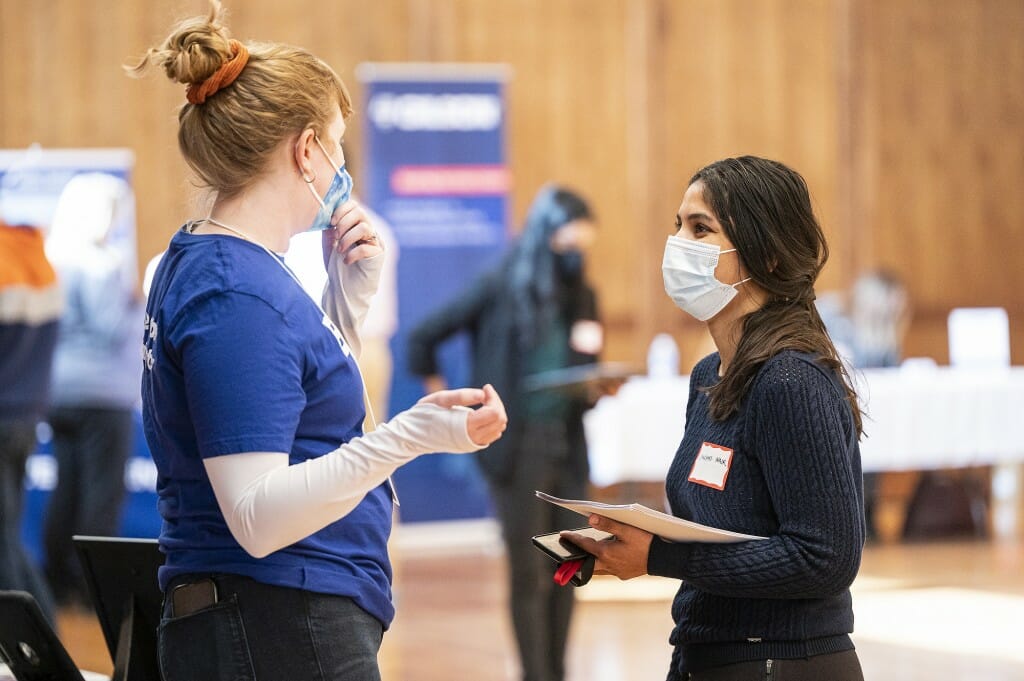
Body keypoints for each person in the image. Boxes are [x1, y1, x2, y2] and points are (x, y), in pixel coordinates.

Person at [128, 3, 507, 680]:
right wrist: (410, 435)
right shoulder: (235, 289)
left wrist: (344, 301)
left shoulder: (236, 268)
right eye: (334, 142)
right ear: (306, 150)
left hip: (277, 618)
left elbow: (301, 424)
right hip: (277, 623)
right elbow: (256, 515)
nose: (340, 165)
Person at [566, 157, 866, 681]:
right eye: (678, 226)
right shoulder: (709, 374)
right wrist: (631, 543)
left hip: (782, 662)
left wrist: (659, 558)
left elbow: (827, 558)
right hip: (709, 652)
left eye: (700, 229)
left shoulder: (790, 382)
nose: (678, 242)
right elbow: (722, 529)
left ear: (766, 256)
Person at [407, 185, 607, 681]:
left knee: (568, 567)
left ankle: (557, 673)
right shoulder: (501, 285)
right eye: (567, 245)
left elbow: (588, 363)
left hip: (568, 445)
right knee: (529, 571)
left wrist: (599, 386)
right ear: (545, 237)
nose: (574, 256)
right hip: (519, 451)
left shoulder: (583, 293)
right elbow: (422, 339)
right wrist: (453, 410)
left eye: (581, 247)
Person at [42, 172, 144, 609]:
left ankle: (58, 579)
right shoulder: (102, 263)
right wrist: (140, 303)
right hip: (102, 395)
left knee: (67, 488)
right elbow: (110, 327)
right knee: (101, 494)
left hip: (58, 390)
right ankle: (92, 590)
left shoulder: (53, 257)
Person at [0, 215, 62, 625]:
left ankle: (41, 643)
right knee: (7, 534)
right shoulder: (38, 260)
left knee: (4, 542)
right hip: (24, 418)